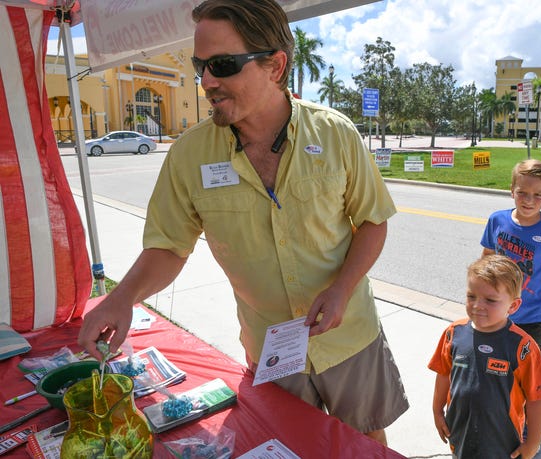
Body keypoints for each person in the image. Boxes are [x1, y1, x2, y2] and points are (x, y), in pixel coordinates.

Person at [77, 0, 408, 445]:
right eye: (200, 65)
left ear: (275, 65)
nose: (206, 81)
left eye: (222, 64)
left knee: (366, 445)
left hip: (350, 336)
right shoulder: (189, 154)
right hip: (271, 349)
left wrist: (341, 289)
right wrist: (122, 298)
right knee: (291, 447)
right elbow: (169, 247)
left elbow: (372, 221)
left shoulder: (335, 133)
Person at [428, 255, 541, 459]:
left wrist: (532, 443)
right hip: (461, 432)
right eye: (471, 296)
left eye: (490, 300)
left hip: (503, 442)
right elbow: (443, 374)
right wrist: (437, 411)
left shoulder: (523, 347)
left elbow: (537, 399)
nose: (477, 305)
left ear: (513, 306)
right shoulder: (454, 333)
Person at [480, 159, 541, 349]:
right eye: (522, 192)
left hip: (534, 317)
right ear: (512, 190)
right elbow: (487, 258)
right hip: (498, 309)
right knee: (494, 365)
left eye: (538, 195)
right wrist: (482, 296)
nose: (529, 200)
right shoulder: (497, 220)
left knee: (527, 370)